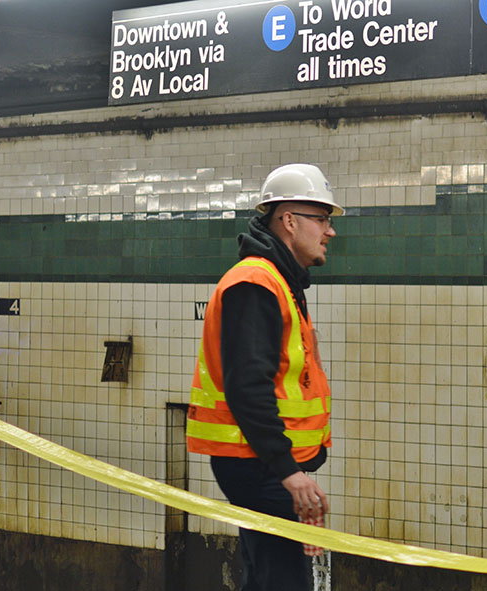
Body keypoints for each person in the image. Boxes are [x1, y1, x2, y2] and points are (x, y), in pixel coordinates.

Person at [186, 163, 342, 591]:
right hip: (258, 465)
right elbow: (247, 387)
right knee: (284, 581)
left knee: (269, 575)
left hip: (265, 464)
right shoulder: (256, 283)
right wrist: (288, 472)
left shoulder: (280, 281)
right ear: (289, 221)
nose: (330, 231)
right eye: (322, 219)